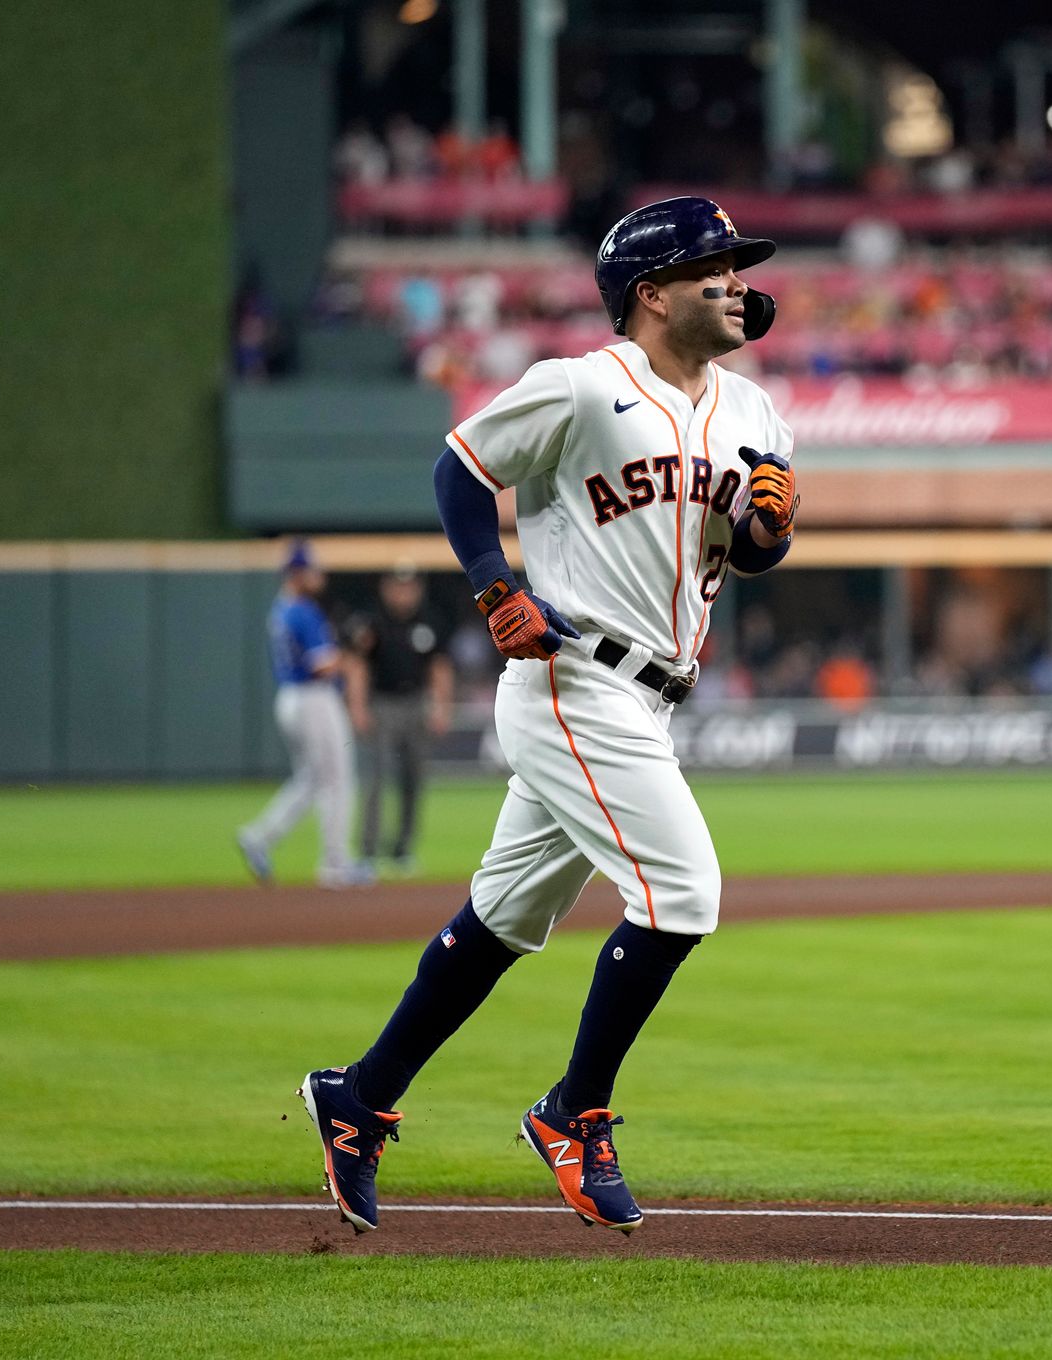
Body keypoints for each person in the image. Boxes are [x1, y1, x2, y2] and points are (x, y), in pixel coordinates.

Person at [298, 197, 798, 1236]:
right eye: (715, 266)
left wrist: (763, 533)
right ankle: (575, 1112)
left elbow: (746, 555)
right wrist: (492, 586)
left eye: (740, 265)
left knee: (504, 918)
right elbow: (460, 470)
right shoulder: (579, 387)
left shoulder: (757, 413)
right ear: (650, 295)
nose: (736, 280)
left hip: (654, 697)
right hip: (574, 682)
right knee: (683, 892)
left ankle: (359, 1095)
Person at [238, 541, 372, 888]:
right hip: (313, 699)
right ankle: (336, 863)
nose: (318, 575)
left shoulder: (280, 609)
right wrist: (352, 655)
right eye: (311, 570)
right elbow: (323, 665)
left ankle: (259, 837)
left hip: (291, 699)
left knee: (312, 778)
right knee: (337, 779)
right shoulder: (303, 610)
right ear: (297, 574)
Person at [349, 564, 454, 875]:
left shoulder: (429, 620)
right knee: (376, 779)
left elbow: (440, 667)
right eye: (398, 586)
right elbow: (357, 666)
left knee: (414, 779)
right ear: (386, 587)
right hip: (382, 702)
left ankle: (402, 850)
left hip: (416, 703)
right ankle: (368, 851)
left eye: (409, 586)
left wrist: (442, 707)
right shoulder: (372, 621)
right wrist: (357, 707)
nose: (404, 592)